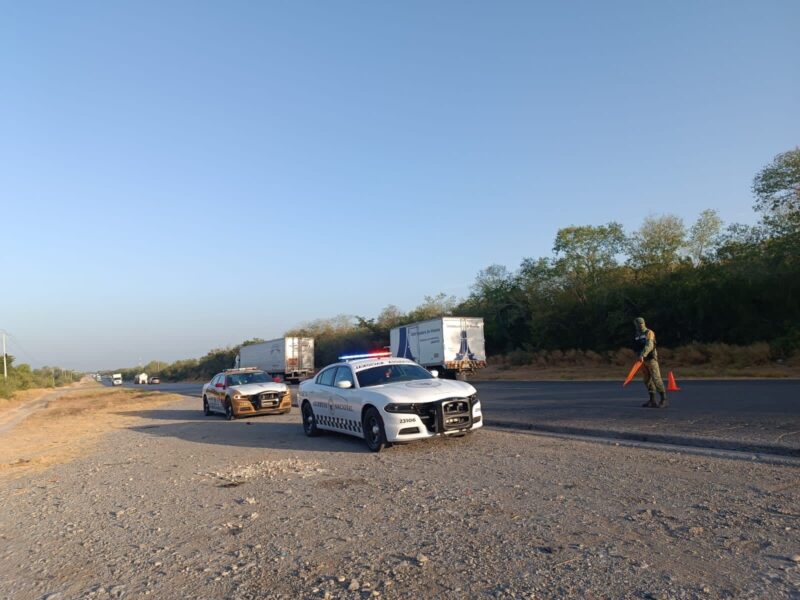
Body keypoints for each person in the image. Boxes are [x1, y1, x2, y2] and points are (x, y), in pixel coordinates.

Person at [634, 317, 668, 408]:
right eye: (638, 324)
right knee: (647, 380)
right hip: (642, 361)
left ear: (644, 323)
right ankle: (652, 400)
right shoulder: (637, 334)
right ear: (636, 325)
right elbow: (637, 347)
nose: (640, 325)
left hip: (651, 359)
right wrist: (638, 357)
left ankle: (664, 399)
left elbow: (649, 345)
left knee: (656, 379)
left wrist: (643, 354)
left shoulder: (649, 332)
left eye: (642, 323)